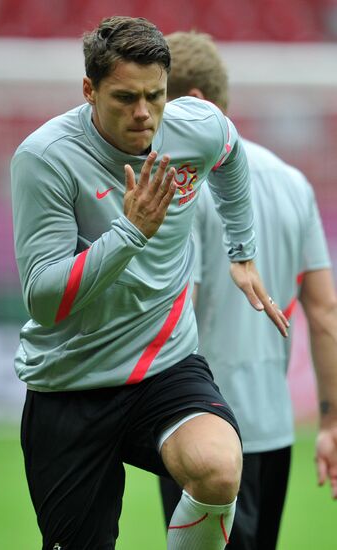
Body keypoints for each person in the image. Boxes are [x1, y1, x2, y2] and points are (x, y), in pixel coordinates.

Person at [11, 17, 289, 550]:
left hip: (164, 362)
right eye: (125, 97)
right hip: (71, 379)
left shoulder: (193, 125)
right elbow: (44, 301)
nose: (144, 113)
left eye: (155, 96)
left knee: (219, 467)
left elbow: (229, 149)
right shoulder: (45, 158)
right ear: (89, 90)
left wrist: (243, 253)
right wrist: (129, 233)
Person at [160, 31, 337, 550]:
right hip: (274, 428)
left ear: (192, 102)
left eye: (157, 101)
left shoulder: (182, 185)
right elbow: (325, 311)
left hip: (198, 428)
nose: (147, 120)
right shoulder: (292, 182)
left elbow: (177, 308)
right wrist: (330, 422)